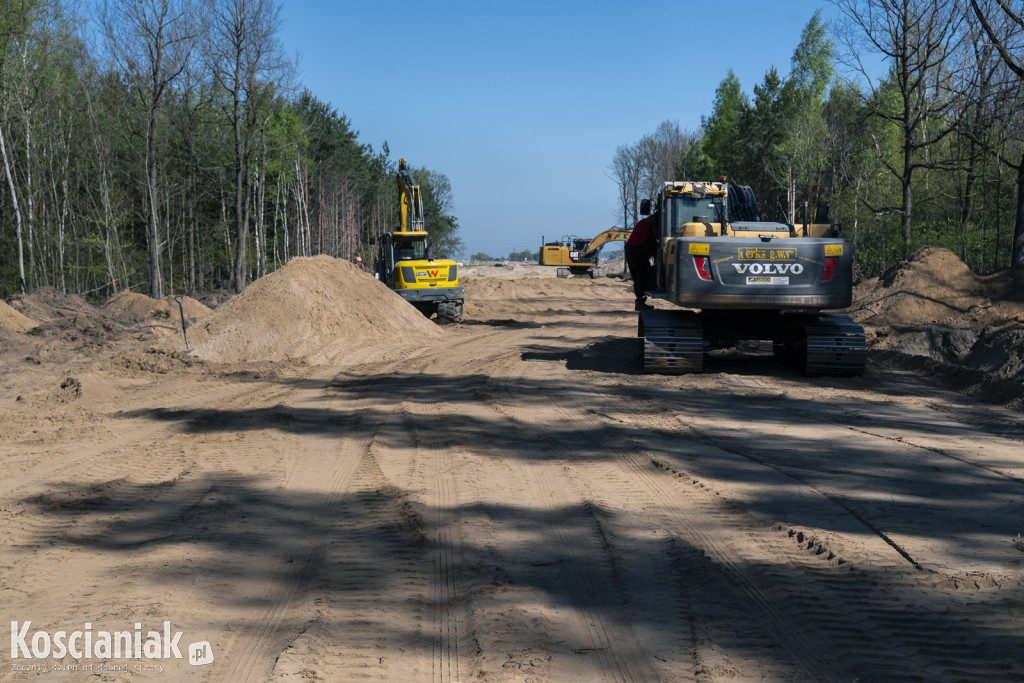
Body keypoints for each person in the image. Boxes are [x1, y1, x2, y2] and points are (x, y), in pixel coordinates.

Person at [625, 211, 657, 310]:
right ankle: (639, 302)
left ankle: (640, 300)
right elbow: (654, 242)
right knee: (641, 274)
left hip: (631, 249)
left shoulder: (645, 222)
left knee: (639, 275)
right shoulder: (653, 224)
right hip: (637, 250)